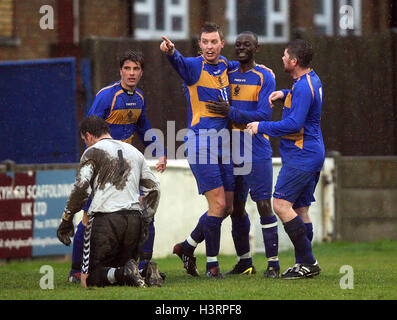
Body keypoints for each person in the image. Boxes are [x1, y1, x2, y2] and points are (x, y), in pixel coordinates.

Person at [68, 50, 167, 283]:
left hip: (128, 168)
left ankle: (143, 268)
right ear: (120, 70)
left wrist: (159, 150)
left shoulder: (139, 98)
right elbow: (90, 130)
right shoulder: (106, 96)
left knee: (145, 214)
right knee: (89, 216)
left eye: (136, 69)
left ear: (142, 72)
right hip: (104, 168)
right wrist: (91, 167)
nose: (131, 73)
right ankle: (75, 271)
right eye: (127, 68)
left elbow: (144, 127)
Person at [160, 22, 239, 278]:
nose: (209, 46)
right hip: (200, 142)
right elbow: (179, 62)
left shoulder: (228, 65)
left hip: (224, 144)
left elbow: (246, 70)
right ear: (200, 45)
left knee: (227, 207)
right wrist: (170, 51)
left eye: (213, 42)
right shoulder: (194, 66)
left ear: (221, 44)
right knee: (216, 203)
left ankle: (187, 247)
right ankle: (212, 266)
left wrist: (265, 72)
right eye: (204, 42)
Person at [247, 39, 324, 279]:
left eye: (285, 55)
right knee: (300, 209)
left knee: (280, 204)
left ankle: (309, 262)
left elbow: (294, 123)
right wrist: (285, 93)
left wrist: (262, 126)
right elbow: (304, 99)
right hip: (309, 152)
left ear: (294, 61)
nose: (282, 58)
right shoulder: (309, 80)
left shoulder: (303, 87)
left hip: (303, 155)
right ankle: (303, 263)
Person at [205, 31, 280, 278]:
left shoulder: (265, 77)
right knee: (235, 207)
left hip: (255, 145)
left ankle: (273, 263)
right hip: (230, 147)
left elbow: (264, 115)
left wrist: (232, 112)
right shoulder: (228, 72)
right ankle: (245, 262)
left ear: (256, 48)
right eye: (238, 45)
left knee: (263, 204)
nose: (242, 48)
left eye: (247, 44)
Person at [57, 115, 161, 288]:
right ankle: (145, 272)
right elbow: (154, 188)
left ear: (89, 135)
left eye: (85, 140)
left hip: (106, 220)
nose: (86, 143)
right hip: (134, 220)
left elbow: (81, 188)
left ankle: (126, 272)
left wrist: (67, 218)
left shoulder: (92, 151)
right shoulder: (134, 152)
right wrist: (146, 218)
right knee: (114, 275)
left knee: (88, 279)